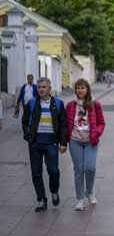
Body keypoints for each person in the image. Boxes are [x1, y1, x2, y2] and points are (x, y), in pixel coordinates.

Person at [22, 77, 68, 212]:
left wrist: (63, 142)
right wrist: (28, 136)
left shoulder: (58, 103)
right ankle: (42, 200)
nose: (41, 89)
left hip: (51, 143)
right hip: (35, 144)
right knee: (36, 173)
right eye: (39, 87)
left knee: (53, 171)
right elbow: (24, 121)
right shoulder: (31, 103)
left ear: (49, 88)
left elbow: (64, 124)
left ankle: (54, 191)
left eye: (44, 87)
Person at [66, 79, 105, 211]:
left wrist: (97, 133)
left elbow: (101, 123)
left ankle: (89, 191)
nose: (80, 90)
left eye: (82, 88)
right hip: (75, 141)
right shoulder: (71, 105)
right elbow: (66, 124)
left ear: (87, 89)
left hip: (91, 142)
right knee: (78, 170)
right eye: (78, 88)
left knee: (90, 168)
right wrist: (64, 141)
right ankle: (80, 199)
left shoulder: (95, 104)